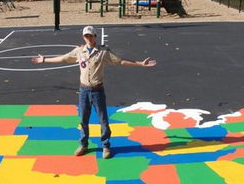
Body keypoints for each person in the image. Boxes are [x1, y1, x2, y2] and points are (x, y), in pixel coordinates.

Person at [31, 26, 156, 159]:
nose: (88, 38)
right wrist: (44, 60)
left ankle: (106, 146)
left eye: (91, 35)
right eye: (86, 36)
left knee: (103, 120)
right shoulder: (79, 51)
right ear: (83, 37)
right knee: (83, 119)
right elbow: (64, 58)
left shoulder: (103, 52)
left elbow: (120, 61)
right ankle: (83, 144)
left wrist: (140, 64)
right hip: (84, 90)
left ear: (95, 36)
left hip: (97, 91)